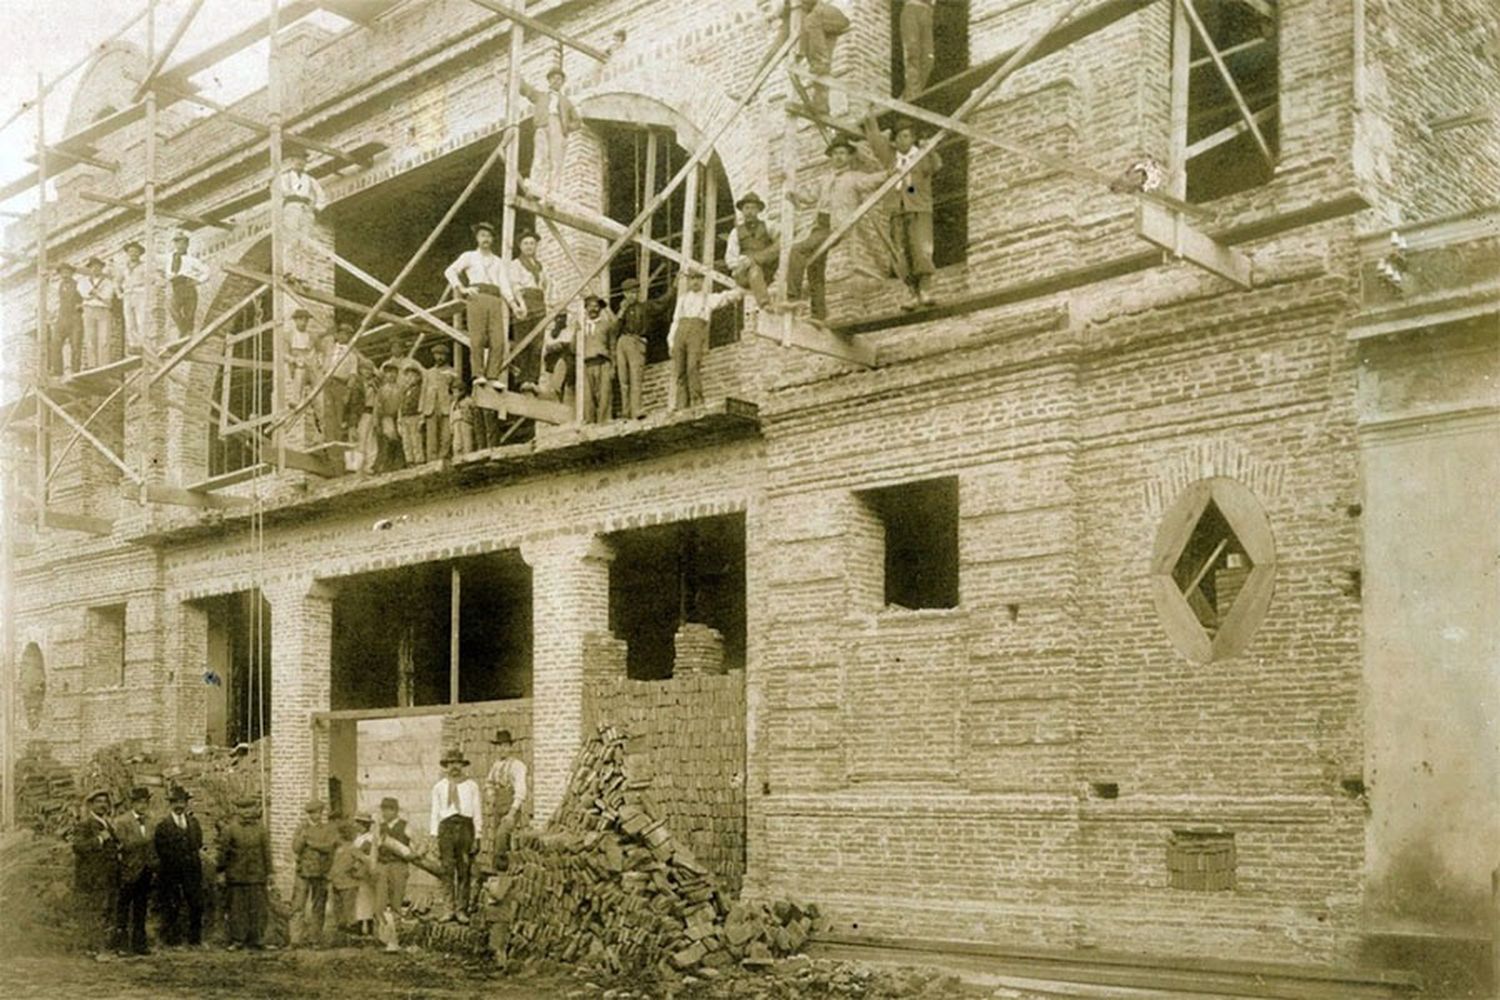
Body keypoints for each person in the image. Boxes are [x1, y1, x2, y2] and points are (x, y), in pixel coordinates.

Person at [785, 135, 890, 321]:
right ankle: (819, 314)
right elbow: (810, 197)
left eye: (842, 153)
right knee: (815, 267)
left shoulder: (855, 178)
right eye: (835, 154)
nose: (839, 157)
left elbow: (872, 181)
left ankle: (793, 297)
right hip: (820, 226)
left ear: (849, 157)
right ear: (831, 157)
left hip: (835, 226)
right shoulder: (826, 179)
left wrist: (889, 173)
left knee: (797, 250)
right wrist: (795, 195)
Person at [865, 117, 942, 309]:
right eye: (899, 137)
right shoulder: (891, 158)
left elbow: (935, 166)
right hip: (896, 210)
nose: (903, 141)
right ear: (894, 140)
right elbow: (875, 142)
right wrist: (870, 119)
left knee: (921, 249)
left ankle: (924, 290)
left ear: (913, 138)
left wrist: (929, 150)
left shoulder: (922, 155)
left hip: (918, 208)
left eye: (907, 136)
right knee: (900, 253)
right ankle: (912, 294)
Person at [443, 221, 520, 389]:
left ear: (492, 239)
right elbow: (450, 271)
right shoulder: (469, 256)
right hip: (476, 297)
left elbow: (505, 285)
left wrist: (514, 305)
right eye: (482, 235)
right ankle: (478, 374)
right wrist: (462, 288)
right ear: (477, 238)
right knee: (477, 338)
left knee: (498, 340)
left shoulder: (498, 261)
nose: (485, 239)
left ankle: (493, 375)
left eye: (488, 236)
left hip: (495, 299)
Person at [668, 269, 743, 410]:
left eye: (698, 279)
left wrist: (742, 289)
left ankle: (697, 400)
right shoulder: (682, 299)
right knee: (680, 371)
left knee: (692, 366)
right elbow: (675, 321)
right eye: (692, 279)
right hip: (680, 333)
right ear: (689, 281)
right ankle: (681, 404)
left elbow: (725, 297)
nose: (695, 282)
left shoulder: (707, 298)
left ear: (703, 281)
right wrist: (671, 341)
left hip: (696, 333)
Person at [429, 748, 482, 923]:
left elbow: (477, 811)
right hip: (446, 828)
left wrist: (478, 835)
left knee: (464, 869)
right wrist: (434, 835)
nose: (454, 767)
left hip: (465, 827)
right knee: (446, 870)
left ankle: (461, 910)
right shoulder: (439, 787)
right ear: (446, 766)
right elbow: (435, 812)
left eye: (457, 763)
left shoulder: (471, 785)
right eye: (451, 763)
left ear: (462, 765)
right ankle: (448, 909)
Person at [217, 797, 272, 951]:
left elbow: (266, 852)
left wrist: (270, 873)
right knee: (237, 909)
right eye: (243, 809)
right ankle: (238, 940)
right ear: (238, 811)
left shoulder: (261, 829)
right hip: (237, 876)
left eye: (250, 808)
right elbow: (223, 854)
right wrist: (221, 872)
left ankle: (258, 939)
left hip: (257, 875)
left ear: (254, 810)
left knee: (258, 909)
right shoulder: (230, 829)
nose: (247, 812)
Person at [153, 786, 204, 949]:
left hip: (192, 870)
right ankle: (172, 940)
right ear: (170, 804)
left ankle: (194, 940)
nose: (179, 805)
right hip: (171, 871)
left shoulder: (193, 823)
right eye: (175, 802)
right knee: (172, 904)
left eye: (182, 802)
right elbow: (161, 849)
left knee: (196, 903)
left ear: (186, 803)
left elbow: (198, 843)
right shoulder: (163, 826)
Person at [70, 789, 119, 957]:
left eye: (105, 802)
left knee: (106, 911)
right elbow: (78, 847)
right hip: (93, 877)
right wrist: (99, 840)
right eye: (98, 801)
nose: (103, 805)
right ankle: (97, 949)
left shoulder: (107, 824)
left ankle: (100, 948)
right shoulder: (85, 824)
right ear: (91, 805)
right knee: (97, 911)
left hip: (108, 876)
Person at [520, 64, 580, 196]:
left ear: (562, 82)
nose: (556, 81)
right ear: (549, 81)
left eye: (559, 79)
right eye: (553, 78)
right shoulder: (541, 96)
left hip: (557, 127)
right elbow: (526, 90)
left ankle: (554, 192)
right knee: (540, 157)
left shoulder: (566, 102)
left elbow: (577, 121)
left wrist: (565, 128)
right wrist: (516, 78)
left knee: (556, 161)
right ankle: (535, 187)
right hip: (543, 125)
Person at [112, 786, 156, 956]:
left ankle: (139, 945)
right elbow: (123, 845)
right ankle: (121, 945)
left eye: (145, 802)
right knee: (123, 908)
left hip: (145, 871)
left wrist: (152, 865)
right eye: (139, 802)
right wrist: (141, 842)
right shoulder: (122, 822)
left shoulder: (151, 822)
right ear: (132, 803)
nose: (142, 805)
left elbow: (153, 847)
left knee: (141, 908)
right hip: (129, 870)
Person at [507, 232, 551, 392]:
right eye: (526, 243)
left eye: (532, 243)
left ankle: (533, 379)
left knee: (538, 344)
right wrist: (521, 304)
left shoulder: (541, 265)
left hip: (539, 302)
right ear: (520, 246)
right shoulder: (516, 264)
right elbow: (515, 286)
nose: (529, 246)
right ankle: (523, 379)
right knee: (523, 341)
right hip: (525, 301)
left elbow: (546, 285)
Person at [289, 799, 336, 947]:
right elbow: (296, 848)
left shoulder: (327, 829)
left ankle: (315, 938)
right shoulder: (301, 828)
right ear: (308, 814)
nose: (316, 815)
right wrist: (303, 837)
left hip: (321, 872)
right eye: (313, 813)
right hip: (303, 871)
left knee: (318, 906)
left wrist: (311, 844)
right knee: (298, 906)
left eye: (319, 812)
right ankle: (296, 939)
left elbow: (329, 847)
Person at [612, 277, 659, 420]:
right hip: (622, 342)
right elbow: (614, 329)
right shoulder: (623, 310)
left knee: (636, 377)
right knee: (623, 379)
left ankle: (637, 409)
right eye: (629, 292)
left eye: (635, 292)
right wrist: (621, 311)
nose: (632, 295)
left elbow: (662, 304)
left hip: (636, 341)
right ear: (624, 294)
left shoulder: (644, 307)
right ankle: (626, 412)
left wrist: (674, 288)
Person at [483, 730, 528, 874]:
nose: (502, 749)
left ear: (510, 747)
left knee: (503, 836)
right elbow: (489, 783)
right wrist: (490, 796)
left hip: (511, 808)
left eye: (505, 746)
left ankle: (501, 869)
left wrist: (512, 812)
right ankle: (501, 872)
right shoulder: (496, 766)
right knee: (497, 839)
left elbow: (520, 790)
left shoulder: (518, 766)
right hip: (498, 807)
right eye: (499, 746)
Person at [796, 0, 851, 115]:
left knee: (811, 20)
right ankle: (821, 104)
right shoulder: (802, 15)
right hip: (822, 25)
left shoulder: (812, 15)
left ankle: (822, 62)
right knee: (814, 56)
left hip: (834, 16)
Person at [725, 193, 779, 308]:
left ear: (759, 210)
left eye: (753, 208)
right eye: (747, 208)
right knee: (754, 269)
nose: (749, 211)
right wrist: (744, 262)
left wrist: (761, 257)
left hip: (766, 272)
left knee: (756, 267)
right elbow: (730, 260)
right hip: (744, 275)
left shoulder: (769, 226)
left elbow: (782, 240)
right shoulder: (735, 233)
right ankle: (764, 303)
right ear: (742, 211)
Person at [577, 294, 616, 422]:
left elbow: (612, 346)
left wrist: (613, 366)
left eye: (596, 306)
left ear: (600, 309)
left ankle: (604, 422)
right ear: (586, 308)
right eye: (590, 306)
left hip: (603, 362)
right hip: (586, 364)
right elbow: (573, 348)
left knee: (604, 394)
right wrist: (576, 332)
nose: (593, 309)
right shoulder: (581, 327)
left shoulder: (606, 325)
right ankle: (590, 422)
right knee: (587, 396)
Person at [164, 231, 209, 337]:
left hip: (188, 285)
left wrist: (198, 281)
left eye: (183, 243)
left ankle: (188, 333)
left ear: (187, 245)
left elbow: (206, 271)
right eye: (178, 243)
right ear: (175, 245)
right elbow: (163, 270)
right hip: (176, 286)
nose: (180, 245)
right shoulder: (169, 258)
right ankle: (183, 329)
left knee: (190, 312)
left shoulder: (192, 260)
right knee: (172, 308)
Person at [276, 148, 327, 239]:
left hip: (306, 209)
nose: (300, 162)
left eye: (303, 160)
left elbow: (322, 196)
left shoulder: (310, 180)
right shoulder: (285, 177)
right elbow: (282, 192)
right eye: (297, 159)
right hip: (291, 207)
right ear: (292, 160)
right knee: (291, 236)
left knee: (306, 237)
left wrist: (316, 209)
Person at [421, 342, 459, 460]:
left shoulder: (452, 371)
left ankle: (443, 458)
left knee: (446, 435)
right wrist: (421, 410)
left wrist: (454, 403)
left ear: (447, 356)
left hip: (446, 406)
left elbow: (457, 389)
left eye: (442, 355)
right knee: (431, 436)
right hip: (430, 407)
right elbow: (423, 391)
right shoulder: (428, 372)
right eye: (437, 354)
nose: (439, 357)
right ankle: (431, 460)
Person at [78, 257, 116, 370]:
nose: (95, 269)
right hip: (89, 309)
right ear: (90, 269)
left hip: (103, 310)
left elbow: (108, 296)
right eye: (93, 267)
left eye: (98, 267)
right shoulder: (83, 281)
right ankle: (92, 364)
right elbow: (84, 294)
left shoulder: (107, 282)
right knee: (90, 338)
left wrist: (97, 295)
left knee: (104, 338)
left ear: (101, 268)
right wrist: (96, 294)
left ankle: (104, 364)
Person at [375, 797, 411, 914]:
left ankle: (396, 928)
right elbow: (374, 848)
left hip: (398, 865)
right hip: (382, 865)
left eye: (387, 810)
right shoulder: (379, 827)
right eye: (383, 810)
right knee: (380, 900)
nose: (384, 813)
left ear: (395, 811)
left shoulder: (405, 826)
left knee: (397, 899)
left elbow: (415, 846)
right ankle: (381, 930)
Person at [50, 262, 84, 377]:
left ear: (71, 273)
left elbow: (87, 297)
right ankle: (57, 370)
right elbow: (53, 300)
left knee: (75, 343)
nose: (64, 274)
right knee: (55, 343)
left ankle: (75, 370)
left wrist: (81, 305)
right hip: (62, 318)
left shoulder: (79, 285)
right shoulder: (58, 286)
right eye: (62, 272)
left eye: (67, 272)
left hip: (75, 318)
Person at [898, 0, 935, 100]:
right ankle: (912, 96)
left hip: (927, 12)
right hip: (912, 8)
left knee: (929, 59)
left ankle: (907, 95)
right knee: (913, 53)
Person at [117, 241, 150, 351]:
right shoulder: (124, 268)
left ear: (140, 253)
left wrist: (145, 291)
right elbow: (116, 282)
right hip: (127, 294)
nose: (133, 254)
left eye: (136, 252)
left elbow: (149, 280)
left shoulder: (144, 266)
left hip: (139, 293)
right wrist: (119, 293)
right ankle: (133, 344)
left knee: (141, 319)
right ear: (128, 253)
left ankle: (142, 343)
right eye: (131, 251)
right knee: (129, 320)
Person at [397, 359, 426, 465]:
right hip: (405, 418)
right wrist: (399, 420)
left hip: (415, 417)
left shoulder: (420, 390)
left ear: (418, 377)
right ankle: (410, 460)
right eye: (407, 376)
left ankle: (419, 460)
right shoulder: (404, 391)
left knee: (416, 440)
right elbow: (400, 406)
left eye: (412, 376)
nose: (409, 379)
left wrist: (421, 418)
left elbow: (423, 404)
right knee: (406, 441)